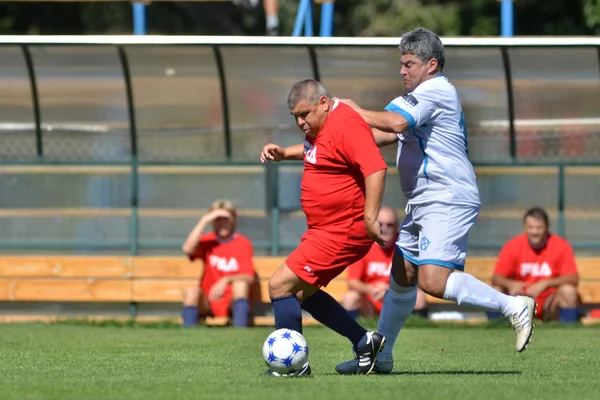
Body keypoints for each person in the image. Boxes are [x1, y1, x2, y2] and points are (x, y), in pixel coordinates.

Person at [334, 27, 536, 375]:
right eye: (401, 63)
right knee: (403, 273)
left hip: (447, 195)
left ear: (431, 64)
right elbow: (383, 133)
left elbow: (393, 121)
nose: (402, 70)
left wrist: (352, 110)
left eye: (409, 63)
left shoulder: (435, 90)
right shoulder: (420, 97)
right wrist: (329, 138)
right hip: (424, 200)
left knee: (432, 281)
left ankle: (513, 306)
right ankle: (381, 355)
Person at [259, 79, 388, 377]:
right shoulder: (322, 128)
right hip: (324, 229)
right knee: (302, 293)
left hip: (342, 229)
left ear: (324, 103)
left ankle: (291, 368)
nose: (300, 122)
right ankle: (364, 342)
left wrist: (370, 218)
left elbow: (376, 168)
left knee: (280, 284)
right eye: (295, 117)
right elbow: (318, 151)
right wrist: (283, 153)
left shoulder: (345, 124)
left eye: (304, 114)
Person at [491, 207, 580, 323]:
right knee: (495, 290)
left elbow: (573, 278)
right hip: (518, 301)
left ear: (547, 227)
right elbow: (496, 278)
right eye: (530, 227)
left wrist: (546, 284)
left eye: (539, 228)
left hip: (549, 302)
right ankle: (497, 326)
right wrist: (511, 284)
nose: (534, 232)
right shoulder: (513, 245)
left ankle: (567, 330)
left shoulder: (560, 245)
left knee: (569, 291)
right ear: (524, 227)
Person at [343, 206, 429, 319]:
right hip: (370, 301)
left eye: (390, 225)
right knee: (351, 298)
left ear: (397, 226)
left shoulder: (406, 245)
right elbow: (353, 282)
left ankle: (417, 328)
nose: (384, 228)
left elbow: (419, 278)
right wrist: (372, 289)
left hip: (398, 297)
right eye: (380, 224)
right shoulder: (364, 245)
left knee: (419, 297)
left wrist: (391, 290)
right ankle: (353, 332)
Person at [181, 200, 257, 328]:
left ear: (233, 220)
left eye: (225, 219)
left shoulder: (243, 243)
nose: (222, 223)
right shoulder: (208, 240)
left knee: (240, 285)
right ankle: (188, 335)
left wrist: (226, 279)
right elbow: (187, 249)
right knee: (191, 291)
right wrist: (204, 221)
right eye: (217, 219)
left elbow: (249, 277)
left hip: (231, 301)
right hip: (209, 300)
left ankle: (240, 331)